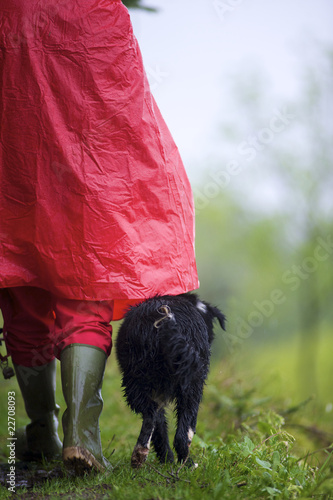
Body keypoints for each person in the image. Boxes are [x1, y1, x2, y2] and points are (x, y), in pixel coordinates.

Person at [0, 0, 199, 475]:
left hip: (12, 31)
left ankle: (41, 430)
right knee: (89, 247)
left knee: (19, 244)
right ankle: (80, 436)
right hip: (90, 35)